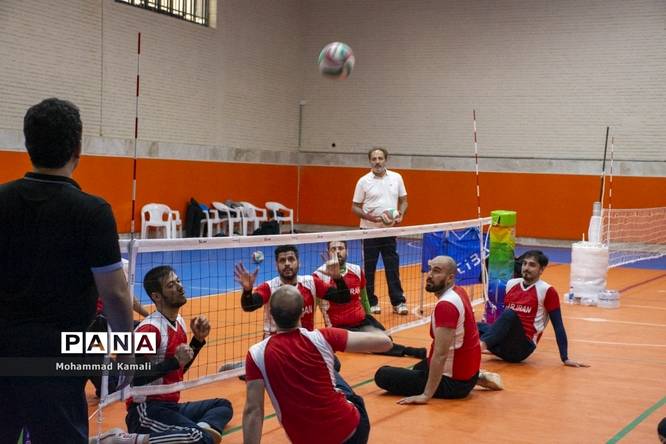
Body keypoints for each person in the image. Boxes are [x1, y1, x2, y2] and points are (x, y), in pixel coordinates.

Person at [0, 98, 134, 443]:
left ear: (28, 144)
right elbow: (115, 294)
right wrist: (126, 350)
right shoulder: (92, 212)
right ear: (77, 149)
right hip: (60, 355)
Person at [242, 285, 393, 444]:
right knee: (332, 367)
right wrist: (372, 329)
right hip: (352, 433)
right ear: (302, 312)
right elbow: (386, 343)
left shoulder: (256, 354)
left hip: (306, 439)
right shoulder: (323, 337)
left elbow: (253, 411)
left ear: (271, 314)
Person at [126, 266, 233, 444]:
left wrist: (197, 341)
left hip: (170, 406)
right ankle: (130, 440)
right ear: (156, 296)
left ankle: (192, 431)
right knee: (201, 438)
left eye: (178, 281)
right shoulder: (150, 329)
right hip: (145, 411)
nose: (180, 287)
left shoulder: (179, 322)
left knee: (223, 405)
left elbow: (178, 369)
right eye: (171, 285)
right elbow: (132, 377)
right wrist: (174, 361)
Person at [374, 256, 503, 404]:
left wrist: (425, 395)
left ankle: (466, 382)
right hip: (469, 374)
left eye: (436, 271)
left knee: (382, 375)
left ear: (450, 278)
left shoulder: (446, 306)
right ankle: (477, 378)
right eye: (430, 269)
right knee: (419, 367)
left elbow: (440, 355)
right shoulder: (459, 291)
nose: (429, 275)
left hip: (454, 384)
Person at [314, 240, 426, 359]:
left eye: (341, 248)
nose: (337, 252)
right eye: (333, 249)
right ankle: (408, 351)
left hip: (362, 321)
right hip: (340, 328)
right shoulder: (320, 275)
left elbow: (364, 298)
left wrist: (370, 319)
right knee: (376, 343)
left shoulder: (356, 270)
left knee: (386, 339)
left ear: (347, 251)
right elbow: (314, 303)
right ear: (328, 252)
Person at [477, 250, 589, 367]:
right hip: (505, 345)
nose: (526, 268)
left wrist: (565, 358)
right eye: (524, 264)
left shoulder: (547, 291)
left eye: (532, 265)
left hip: (521, 349)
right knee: (473, 325)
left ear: (541, 269)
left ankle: (480, 347)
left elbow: (558, 326)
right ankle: (481, 348)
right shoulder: (511, 284)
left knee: (509, 314)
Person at [235, 244, 344, 337]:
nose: (287, 263)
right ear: (276, 266)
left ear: (299, 263)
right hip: (275, 344)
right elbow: (249, 306)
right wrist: (247, 291)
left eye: (291, 259)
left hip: (304, 342)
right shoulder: (269, 287)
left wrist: (338, 278)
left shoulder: (311, 283)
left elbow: (343, 298)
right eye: (282, 260)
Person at [352, 147, 409, 315]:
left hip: (388, 232)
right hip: (369, 231)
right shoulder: (363, 181)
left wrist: (401, 214)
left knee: (392, 267)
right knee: (369, 268)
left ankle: (398, 302)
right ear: (370, 161)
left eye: (380, 158)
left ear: (386, 160)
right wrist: (371, 218)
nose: (377, 162)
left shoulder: (397, 178)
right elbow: (355, 207)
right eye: (374, 159)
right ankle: (371, 302)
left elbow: (404, 201)